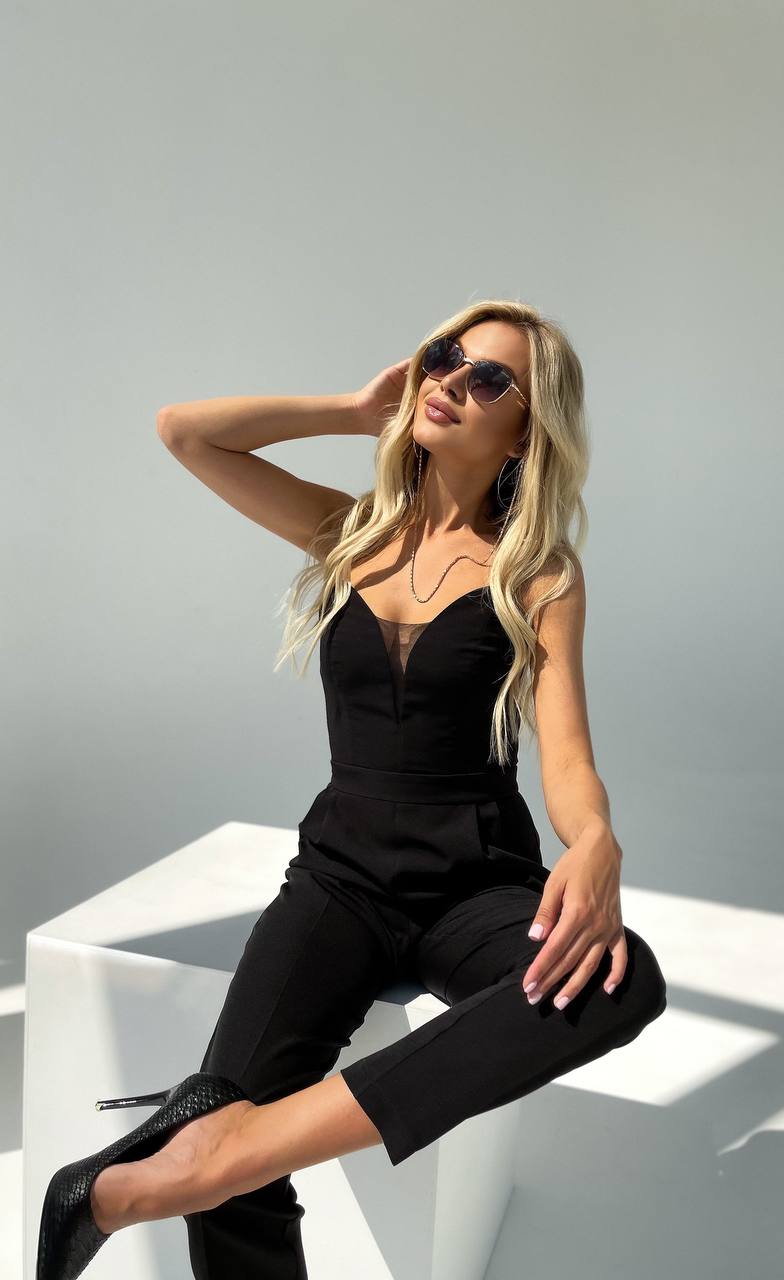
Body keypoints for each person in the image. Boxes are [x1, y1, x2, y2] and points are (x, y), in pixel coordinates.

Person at [37, 299, 667, 1280]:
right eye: (443, 358)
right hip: (340, 877)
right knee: (233, 1153)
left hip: (475, 881)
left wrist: (594, 841)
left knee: (620, 981)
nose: (454, 381)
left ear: (527, 426)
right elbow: (184, 431)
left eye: (488, 377)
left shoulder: (538, 572)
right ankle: (217, 1152)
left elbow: (567, 758)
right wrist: (353, 405)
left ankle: (192, 1159)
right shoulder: (349, 532)